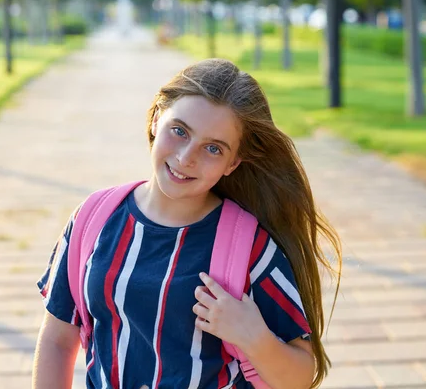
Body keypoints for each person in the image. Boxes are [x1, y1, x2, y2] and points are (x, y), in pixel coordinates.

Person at [32, 58, 342, 389]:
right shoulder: (93, 218)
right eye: (179, 131)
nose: (186, 157)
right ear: (155, 119)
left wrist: (254, 336)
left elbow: (299, 377)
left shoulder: (249, 246)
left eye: (213, 148)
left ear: (233, 162)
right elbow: (58, 340)